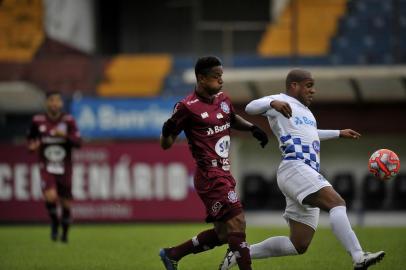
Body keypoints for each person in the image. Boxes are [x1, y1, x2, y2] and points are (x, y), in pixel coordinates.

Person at [219, 69, 385, 270]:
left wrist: (338, 133)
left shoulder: (307, 112)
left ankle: (240, 253)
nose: (313, 91)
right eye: (309, 85)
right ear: (293, 86)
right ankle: (359, 256)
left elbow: (310, 134)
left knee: (298, 244)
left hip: (304, 172)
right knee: (337, 203)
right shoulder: (279, 100)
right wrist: (272, 103)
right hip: (295, 166)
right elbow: (250, 107)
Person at [158, 56, 269, 270]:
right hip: (210, 176)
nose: (221, 81)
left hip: (224, 173)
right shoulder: (187, 107)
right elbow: (166, 143)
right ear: (201, 78)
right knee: (238, 223)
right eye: (216, 76)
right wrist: (166, 132)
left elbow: (231, 118)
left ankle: (172, 254)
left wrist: (253, 128)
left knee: (223, 233)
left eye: (221, 76)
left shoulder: (223, 100)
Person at [27, 91, 81, 243]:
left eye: (57, 101)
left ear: (61, 104)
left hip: (65, 166)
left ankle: (64, 234)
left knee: (65, 203)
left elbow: (78, 143)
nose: (54, 104)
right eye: (51, 101)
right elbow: (31, 140)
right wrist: (32, 147)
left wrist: (64, 136)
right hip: (47, 165)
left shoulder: (68, 121)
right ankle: (54, 222)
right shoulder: (38, 121)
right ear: (46, 103)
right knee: (51, 196)